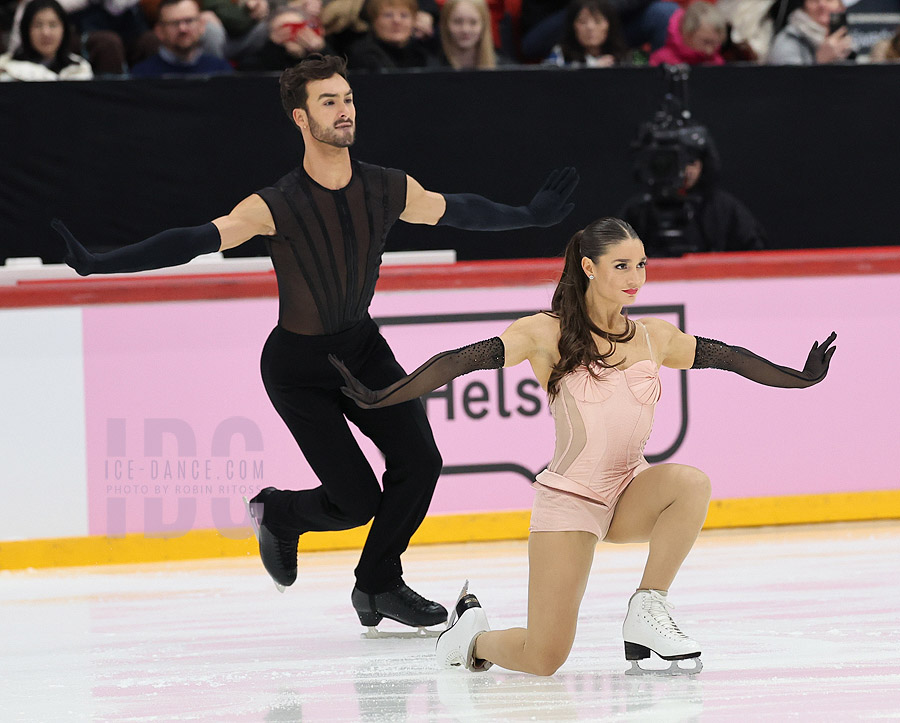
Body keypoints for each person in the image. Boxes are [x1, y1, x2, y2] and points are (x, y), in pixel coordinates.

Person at [51, 54, 579, 635]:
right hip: (298, 368)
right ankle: (279, 511)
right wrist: (104, 264)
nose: (345, 110)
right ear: (301, 119)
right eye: (329, 102)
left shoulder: (386, 187)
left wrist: (529, 215)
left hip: (362, 351)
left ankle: (378, 585)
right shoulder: (274, 204)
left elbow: (457, 210)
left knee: (420, 463)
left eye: (348, 99)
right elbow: (194, 240)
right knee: (355, 503)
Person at [329, 216, 836, 674]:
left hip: (628, 489)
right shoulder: (543, 333)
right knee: (545, 658)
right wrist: (383, 397)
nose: (635, 276)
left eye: (641, 263)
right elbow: (459, 361)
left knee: (690, 483)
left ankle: (648, 606)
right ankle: (472, 639)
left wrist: (799, 378)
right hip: (570, 502)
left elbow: (728, 357)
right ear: (589, 267)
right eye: (621, 265)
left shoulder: (655, 336)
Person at [620, 135, 767, 254]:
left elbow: (756, 254)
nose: (685, 170)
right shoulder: (638, 210)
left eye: (691, 161)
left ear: (703, 163)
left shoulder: (723, 208)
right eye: (676, 162)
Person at [130, 0, 231, 76]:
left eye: (189, 20)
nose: (183, 28)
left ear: (201, 25)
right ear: (159, 31)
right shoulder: (142, 75)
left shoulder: (221, 71)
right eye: (174, 23)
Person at [0, 0, 93, 80]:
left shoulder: (79, 69)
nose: (46, 33)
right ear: (26, 30)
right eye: (38, 25)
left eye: (53, 25)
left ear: (64, 29)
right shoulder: (5, 68)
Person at [346, 0, 439, 70]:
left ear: (414, 21)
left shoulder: (424, 56)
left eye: (404, 15)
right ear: (373, 21)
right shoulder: (361, 56)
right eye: (388, 15)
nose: (397, 21)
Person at [238, 4, 328, 71]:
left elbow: (337, 72)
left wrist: (321, 50)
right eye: (283, 30)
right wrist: (274, 46)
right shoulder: (258, 57)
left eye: (296, 28)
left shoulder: (318, 55)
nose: (291, 35)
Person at [543, 0, 628, 67]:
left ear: (609, 25)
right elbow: (547, 82)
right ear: (573, 26)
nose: (590, 28)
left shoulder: (622, 57)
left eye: (597, 21)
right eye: (583, 22)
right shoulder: (561, 55)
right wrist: (592, 68)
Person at [767, 0, 852, 65]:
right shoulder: (786, 43)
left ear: (841, 7)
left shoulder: (848, 39)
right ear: (803, 6)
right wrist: (819, 61)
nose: (821, 4)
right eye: (814, 0)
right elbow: (787, 85)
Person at [649, 0, 726, 66]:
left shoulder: (716, 62)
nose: (710, 50)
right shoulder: (661, 62)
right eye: (706, 42)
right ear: (687, 34)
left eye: (715, 44)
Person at [438, 0, 501, 69]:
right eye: (458, 22)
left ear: (484, 25)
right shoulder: (431, 66)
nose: (465, 30)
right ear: (445, 24)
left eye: (473, 22)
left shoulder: (504, 68)